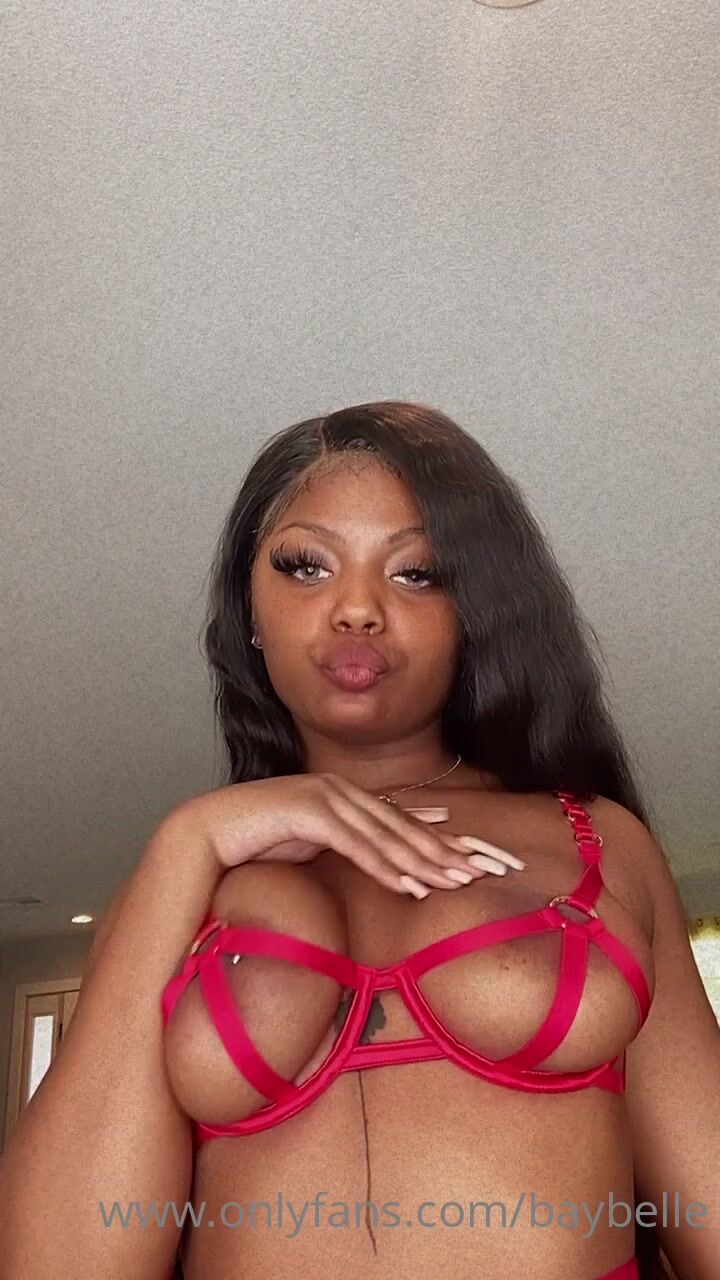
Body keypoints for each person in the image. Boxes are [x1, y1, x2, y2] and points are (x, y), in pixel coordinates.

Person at [1, 401, 717, 1280]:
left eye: (418, 573)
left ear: (473, 612)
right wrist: (193, 838)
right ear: (249, 608)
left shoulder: (597, 840)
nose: (357, 609)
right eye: (306, 566)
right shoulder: (181, 879)